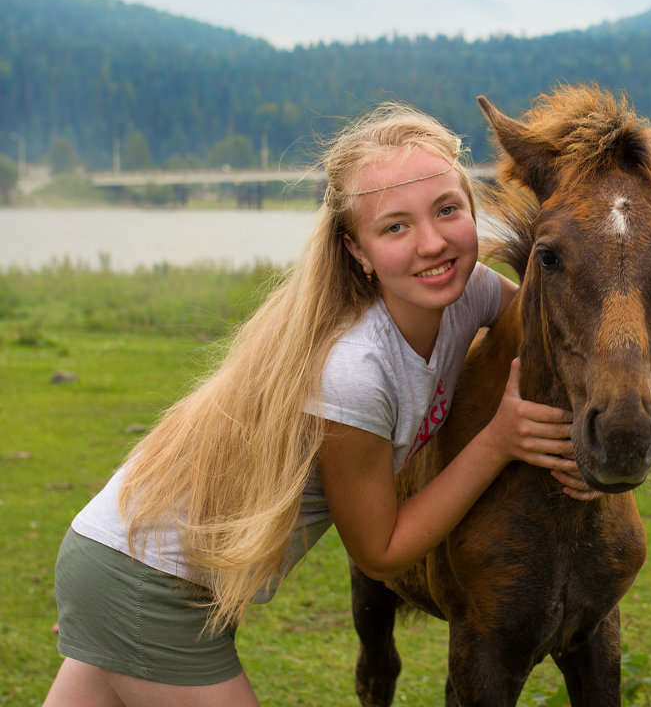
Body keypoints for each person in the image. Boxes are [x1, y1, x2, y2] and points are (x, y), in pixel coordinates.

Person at [44, 103, 594, 706]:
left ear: (472, 208)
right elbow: (380, 552)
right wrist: (496, 442)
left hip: (118, 561)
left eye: (447, 210)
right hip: (146, 582)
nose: (432, 243)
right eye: (394, 227)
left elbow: (554, 347)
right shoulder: (355, 371)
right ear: (356, 250)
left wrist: (584, 455)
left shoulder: (469, 294)